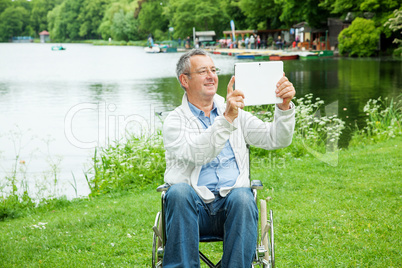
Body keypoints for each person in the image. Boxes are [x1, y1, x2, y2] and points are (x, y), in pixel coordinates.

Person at [162, 49, 296, 267]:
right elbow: (199, 154)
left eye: (213, 70)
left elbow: (276, 139)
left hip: (232, 207)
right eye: (203, 71)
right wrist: (226, 120)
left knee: (244, 197)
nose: (211, 76)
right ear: (184, 80)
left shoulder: (235, 113)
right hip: (192, 211)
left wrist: (283, 107)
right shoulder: (175, 121)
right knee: (178, 192)